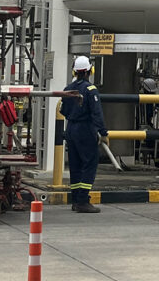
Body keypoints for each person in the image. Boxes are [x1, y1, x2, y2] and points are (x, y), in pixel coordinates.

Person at [60, 55, 109, 213]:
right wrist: (103, 133)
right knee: (89, 164)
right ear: (90, 71)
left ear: (74, 71)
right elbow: (96, 113)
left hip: (71, 129)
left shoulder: (68, 89)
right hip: (85, 129)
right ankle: (83, 200)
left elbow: (63, 110)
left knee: (75, 165)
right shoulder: (90, 90)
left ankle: (76, 200)